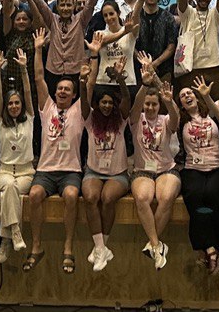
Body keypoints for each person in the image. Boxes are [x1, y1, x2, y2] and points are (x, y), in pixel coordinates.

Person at [23, 27, 86, 273]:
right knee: (35, 194)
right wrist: (38, 49)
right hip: (46, 171)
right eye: (59, 88)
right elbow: (39, 77)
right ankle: (36, 246)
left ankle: (68, 247)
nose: (61, 91)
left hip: (71, 171)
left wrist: (91, 59)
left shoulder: (79, 110)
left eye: (67, 90)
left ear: (73, 95)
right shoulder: (47, 106)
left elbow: (88, 83)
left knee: (71, 196)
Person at [179, 73, 219, 274]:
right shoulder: (180, 120)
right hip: (193, 169)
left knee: (213, 194)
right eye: (182, 96)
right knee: (196, 196)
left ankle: (215, 245)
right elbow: (167, 101)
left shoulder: (211, 112)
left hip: (218, 167)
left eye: (189, 93)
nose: (187, 95)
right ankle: (210, 248)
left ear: (196, 97)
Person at [79, 48, 131, 271]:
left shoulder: (121, 120)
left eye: (111, 102)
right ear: (98, 104)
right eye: (104, 102)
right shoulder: (90, 120)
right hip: (93, 171)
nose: (107, 105)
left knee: (108, 198)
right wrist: (83, 82)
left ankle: (102, 247)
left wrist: (120, 79)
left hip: (118, 173)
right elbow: (83, 101)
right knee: (91, 197)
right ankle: (100, 249)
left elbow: (126, 99)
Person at [130, 52, 180, 270]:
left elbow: (176, 119)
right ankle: (156, 244)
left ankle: (153, 245)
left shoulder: (165, 118)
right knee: (142, 197)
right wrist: (145, 85)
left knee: (166, 196)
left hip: (166, 169)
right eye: (148, 104)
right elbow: (135, 106)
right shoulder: (136, 119)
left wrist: (168, 103)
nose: (150, 108)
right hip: (142, 171)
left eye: (154, 104)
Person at [0, 46, 36, 263]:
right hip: (5, 172)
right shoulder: (0, 122)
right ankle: (15, 233)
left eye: (17, 103)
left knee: (8, 194)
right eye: (11, 103)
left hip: (27, 173)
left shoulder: (29, 119)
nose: (14, 106)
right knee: (9, 189)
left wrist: (24, 70)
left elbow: (27, 91)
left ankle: (6, 240)